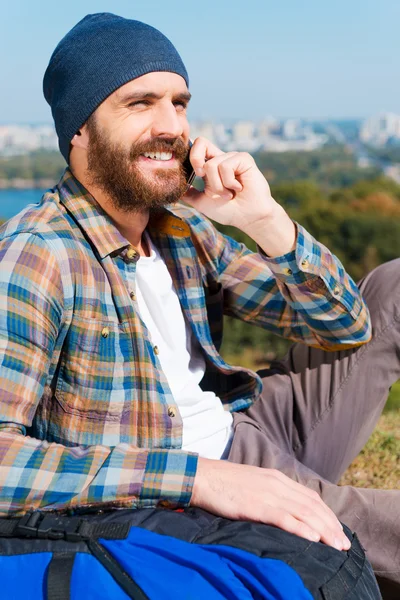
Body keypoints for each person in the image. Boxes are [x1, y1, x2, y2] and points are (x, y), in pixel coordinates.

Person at [0, 12, 398, 596]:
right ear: (79, 131)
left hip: (244, 422)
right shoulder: (39, 257)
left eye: (179, 102)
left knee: (392, 285)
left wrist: (263, 220)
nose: (170, 125)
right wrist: (201, 479)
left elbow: (345, 325)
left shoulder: (181, 228)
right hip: (194, 481)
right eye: (140, 103)